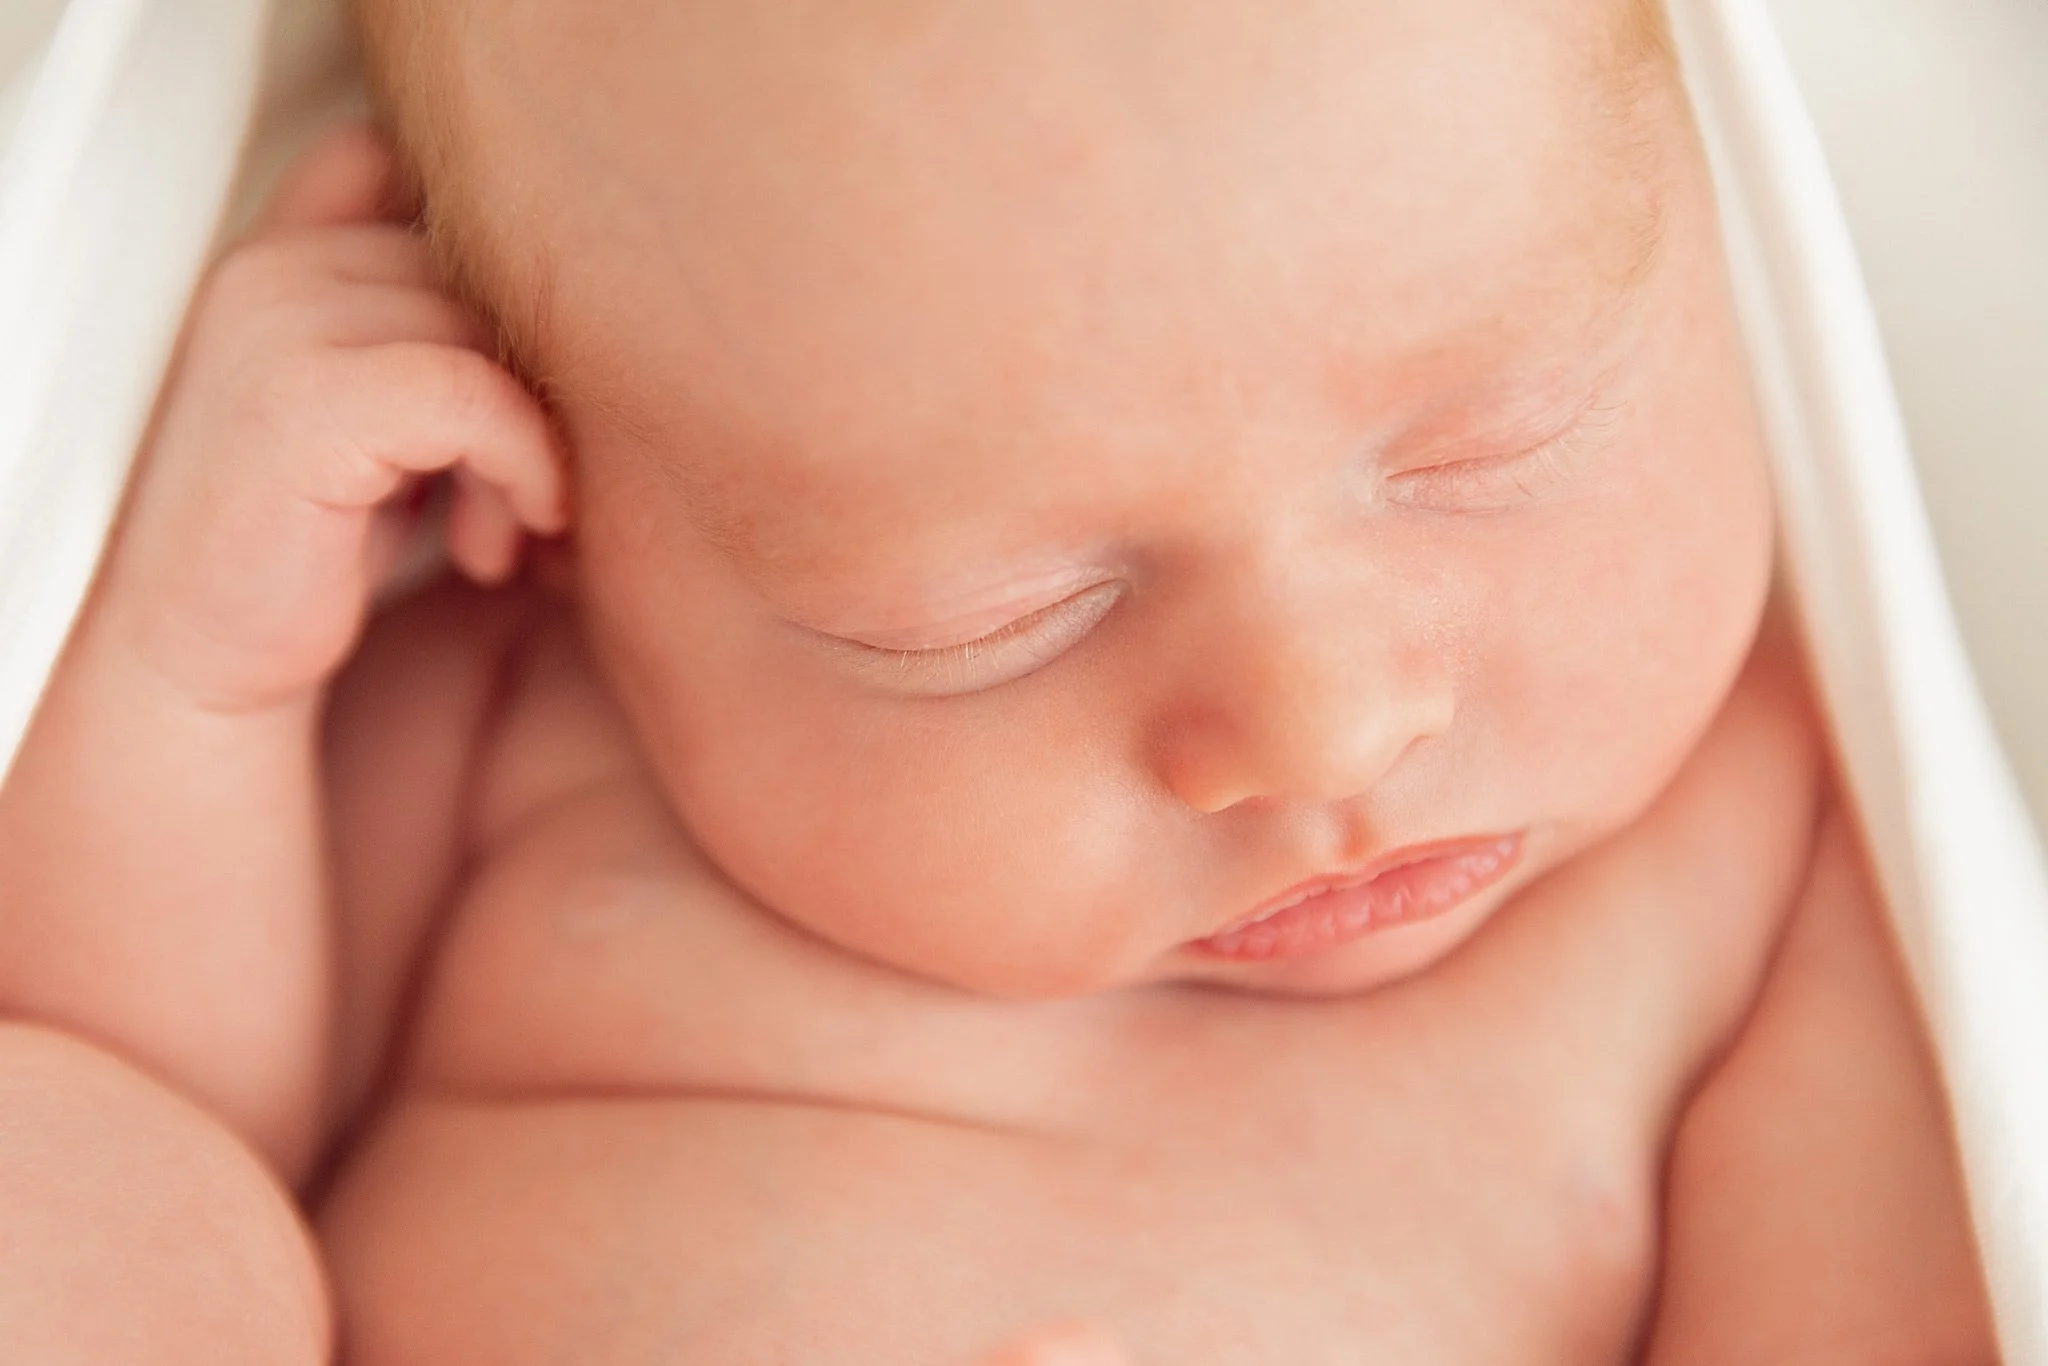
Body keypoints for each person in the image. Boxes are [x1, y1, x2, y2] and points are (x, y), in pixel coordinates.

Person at [0, 0, 1999, 1360]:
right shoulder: (527, 725)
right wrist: (203, 679)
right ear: (570, 503)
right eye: (980, 619)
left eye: (1486, 448)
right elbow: (136, 1094)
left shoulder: (1766, 856)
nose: (1319, 724)